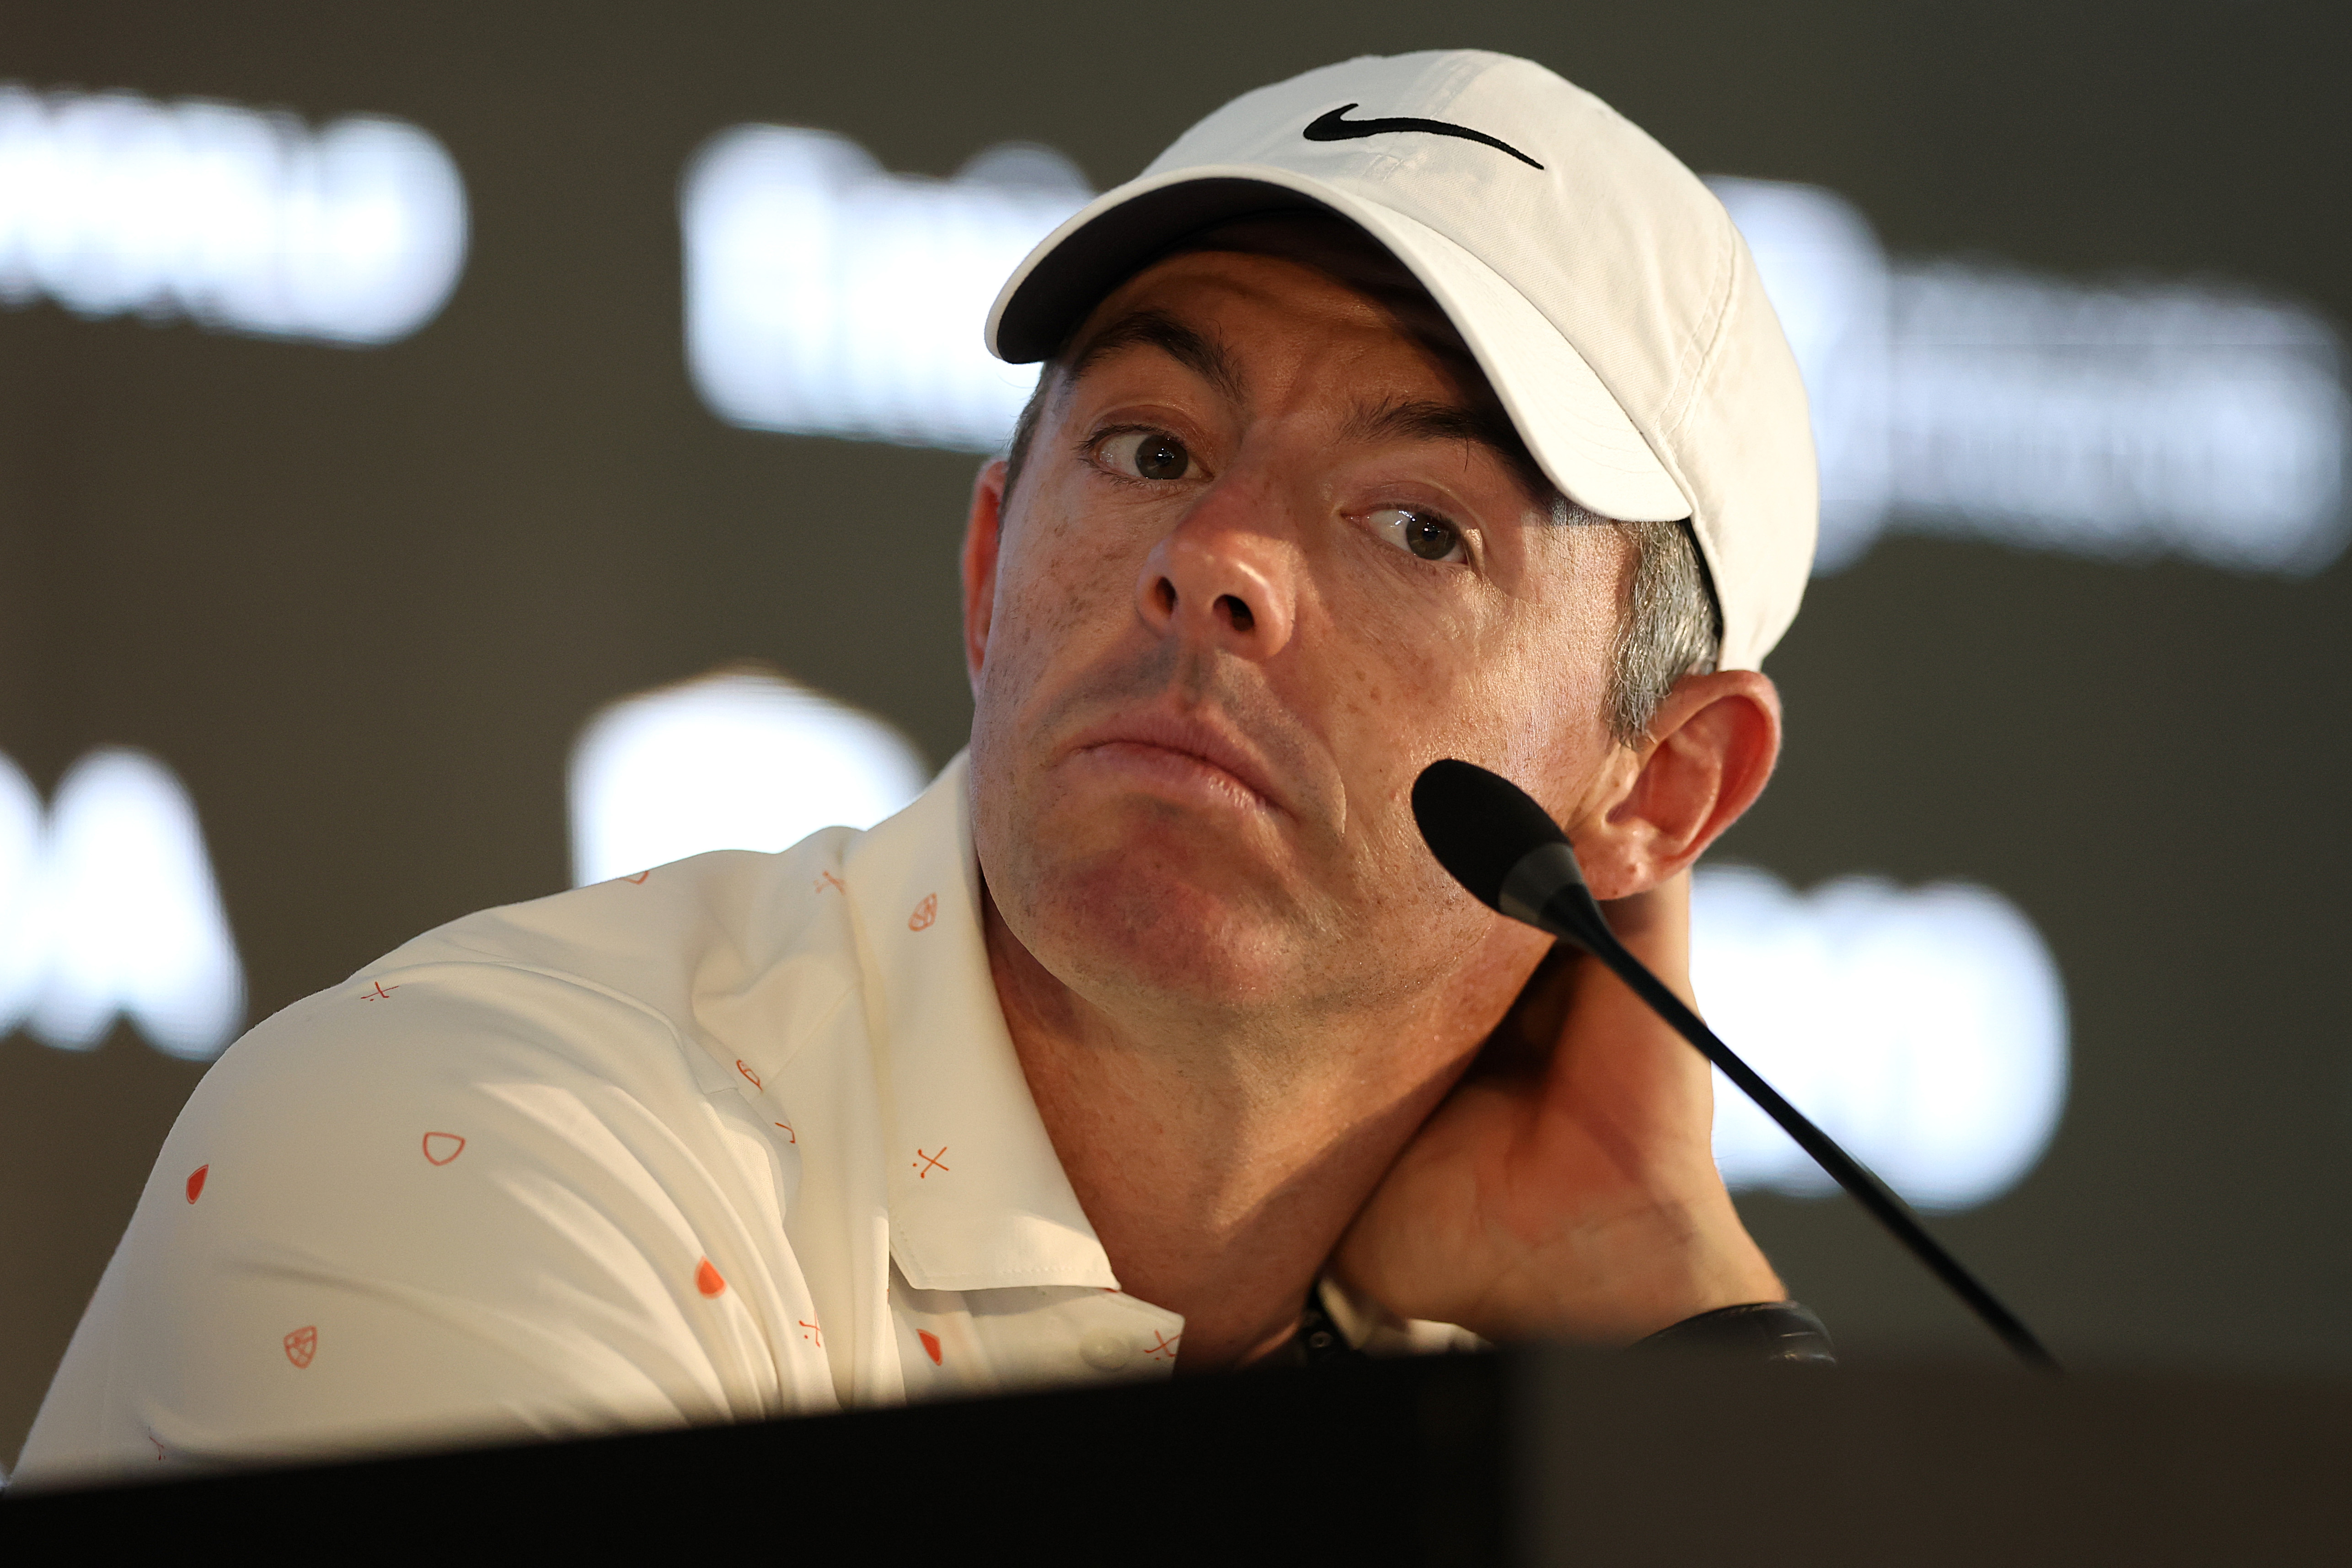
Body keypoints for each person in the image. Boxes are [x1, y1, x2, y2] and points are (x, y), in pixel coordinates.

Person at [15, 47, 1818, 1486]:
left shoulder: (1557, 1387)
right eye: (1148, 448)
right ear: (988, 572)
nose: (1219, 560)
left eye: (1419, 528)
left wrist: (1680, 1304)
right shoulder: (483, 1146)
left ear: (1655, 792)